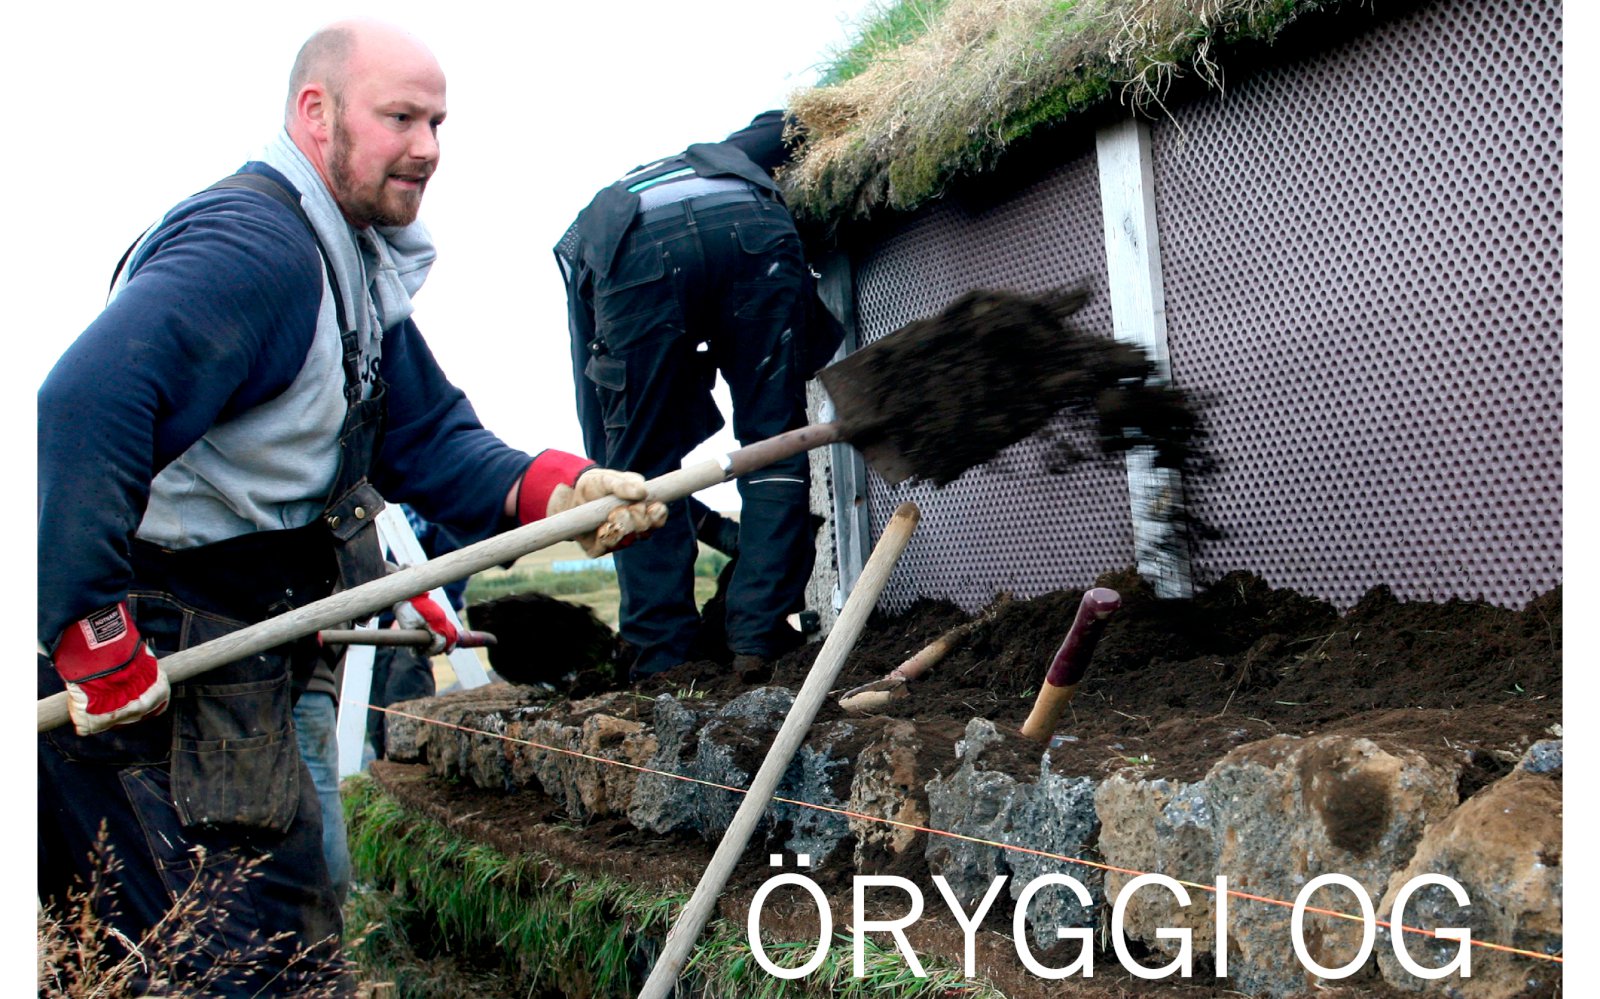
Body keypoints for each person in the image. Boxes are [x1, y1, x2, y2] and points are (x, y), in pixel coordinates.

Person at [36, 20, 664, 997]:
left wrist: (560, 490)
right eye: (400, 117)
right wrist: (92, 634)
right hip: (159, 676)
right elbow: (83, 403)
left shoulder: (351, 270)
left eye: (438, 122)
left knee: (288, 951)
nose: (427, 147)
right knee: (217, 970)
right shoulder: (255, 251)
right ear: (315, 113)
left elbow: (430, 439)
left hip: (247, 661)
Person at [556, 110, 840, 683]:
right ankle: (757, 641)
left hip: (634, 260)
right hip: (753, 233)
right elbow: (793, 120)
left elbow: (593, 391)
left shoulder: (588, 230)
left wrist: (609, 471)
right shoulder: (722, 155)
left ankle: (664, 662)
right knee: (775, 443)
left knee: (640, 468)